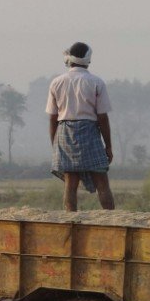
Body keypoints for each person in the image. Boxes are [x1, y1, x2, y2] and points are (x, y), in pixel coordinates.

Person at [46, 41, 115, 211]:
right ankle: (110, 218)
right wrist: (108, 146)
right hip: (90, 130)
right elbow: (102, 117)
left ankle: (71, 219)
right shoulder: (96, 82)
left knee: (70, 182)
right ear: (88, 60)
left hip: (64, 131)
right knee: (102, 181)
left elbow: (53, 117)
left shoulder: (57, 82)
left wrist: (55, 144)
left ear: (69, 59)